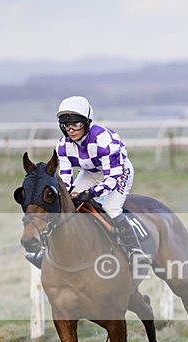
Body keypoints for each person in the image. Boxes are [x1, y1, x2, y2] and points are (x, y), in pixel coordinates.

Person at [54, 95, 149, 267]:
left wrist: (91, 193)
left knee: (110, 208)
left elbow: (112, 179)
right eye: (66, 126)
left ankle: (136, 250)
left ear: (87, 123)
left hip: (117, 172)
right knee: (70, 203)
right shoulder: (62, 145)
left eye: (76, 124)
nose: (71, 130)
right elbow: (66, 177)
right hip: (90, 173)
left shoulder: (104, 140)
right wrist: (68, 194)